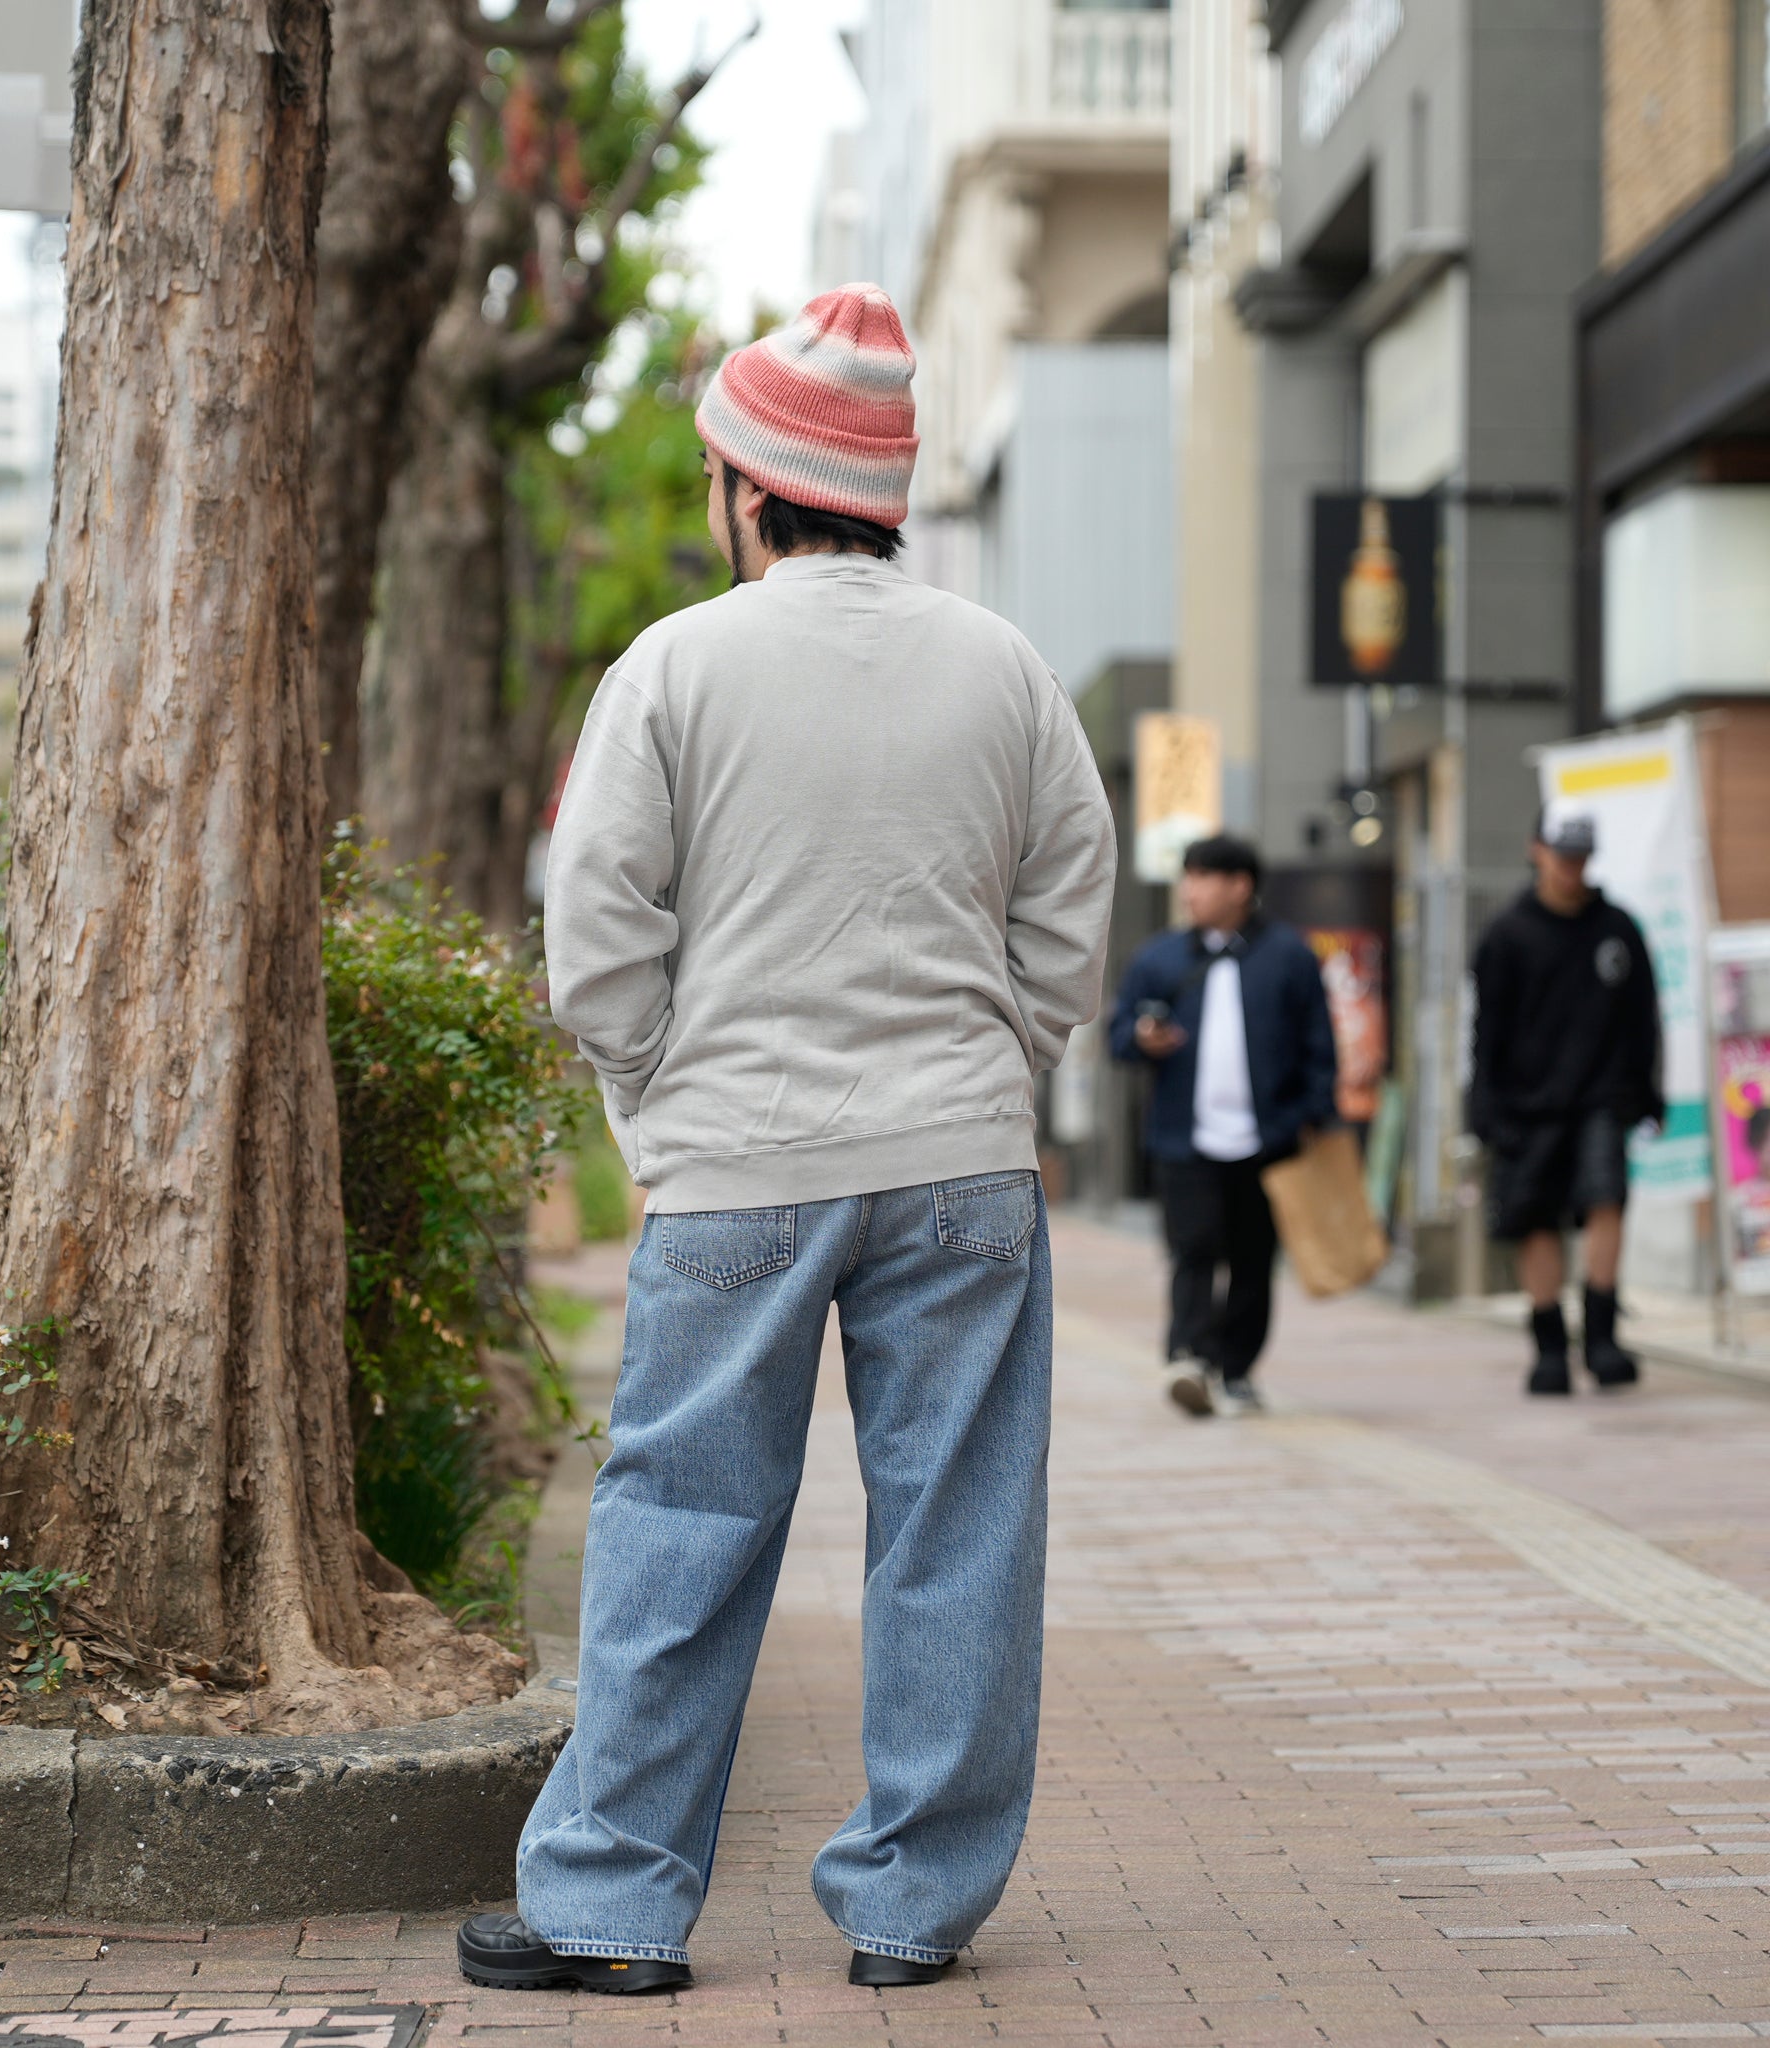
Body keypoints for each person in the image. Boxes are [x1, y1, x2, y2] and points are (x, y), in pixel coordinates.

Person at [454, 285, 1117, 1997]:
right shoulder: (1006, 665)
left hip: (736, 1158)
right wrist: (1004, 1054)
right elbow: (1069, 910)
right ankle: (912, 1906)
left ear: (749, 486)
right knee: (956, 1526)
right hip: (960, 1160)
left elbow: (593, 927)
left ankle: (608, 1902)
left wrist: (662, 1099)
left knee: (680, 1518)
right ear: (880, 493)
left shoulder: (674, 664)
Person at [1108, 836, 1337, 1418]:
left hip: (1268, 1138)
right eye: (1188, 876)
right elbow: (1117, 1035)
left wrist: (1304, 1119)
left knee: (1254, 1259)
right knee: (1193, 1248)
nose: (1190, 890)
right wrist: (1141, 1037)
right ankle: (1188, 1357)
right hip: (1185, 1136)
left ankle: (1236, 1370)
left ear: (1241, 886)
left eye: (1204, 877)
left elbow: (1319, 1048)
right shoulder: (1159, 958)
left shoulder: (1290, 956)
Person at [1469, 806, 1663, 1396]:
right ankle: (1550, 1345)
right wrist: (1483, 1105)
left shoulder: (1617, 930)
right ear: (1536, 851)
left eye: (1580, 858)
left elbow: (1644, 1018)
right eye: (1561, 856)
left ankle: (1602, 1337)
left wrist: (1647, 1092)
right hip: (1528, 1104)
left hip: (1602, 1097)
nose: (1571, 869)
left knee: (1606, 1200)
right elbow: (1486, 1032)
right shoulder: (1507, 934)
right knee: (1536, 1219)